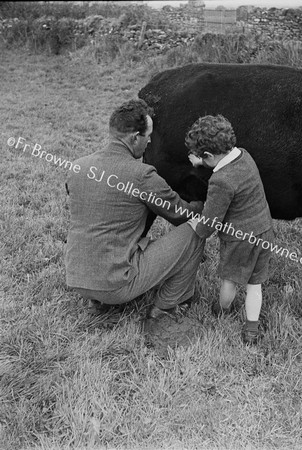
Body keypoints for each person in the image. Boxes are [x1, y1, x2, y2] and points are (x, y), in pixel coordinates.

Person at [64, 99, 204, 323]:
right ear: (134, 137)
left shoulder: (77, 166)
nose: (149, 142)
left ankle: (97, 302)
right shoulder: (142, 175)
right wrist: (201, 204)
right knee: (196, 231)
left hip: (76, 277)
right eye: (148, 136)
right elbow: (182, 215)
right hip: (115, 284)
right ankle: (168, 304)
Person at [185, 115, 274, 344]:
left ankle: (222, 309)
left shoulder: (220, 181)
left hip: (239, 239)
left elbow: (212, 219)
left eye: (202, 159)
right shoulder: (245, 155)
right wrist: (201, 162)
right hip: (263, 230)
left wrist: (200, 228)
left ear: (208, 156)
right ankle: (251, 328)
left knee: (230, 280)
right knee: (255, 283)